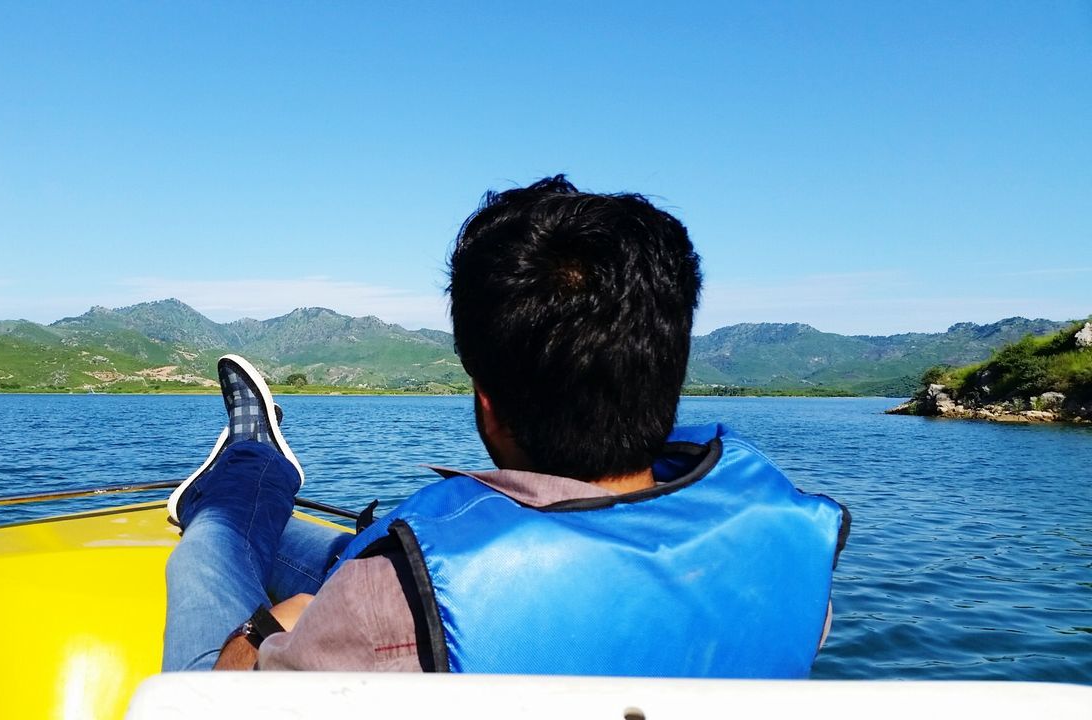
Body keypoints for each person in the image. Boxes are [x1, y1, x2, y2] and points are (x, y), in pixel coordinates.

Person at [162, 175, 849, 676]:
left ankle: (252, 466)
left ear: (486, 402)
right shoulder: (794, 555)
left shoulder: (392, 603)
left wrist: (269, 625)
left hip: (378, 612)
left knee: (209, 547)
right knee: (282, 536)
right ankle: (246, 479)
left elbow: (231, 698)